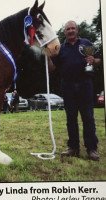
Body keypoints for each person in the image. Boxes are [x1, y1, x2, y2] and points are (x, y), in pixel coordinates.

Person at [52, 20, 101, 161]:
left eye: (73, 28)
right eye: (68, 29)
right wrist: (48, 56)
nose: (71, 31)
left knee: (88, 118)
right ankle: (73, 148)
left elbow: (98, 59)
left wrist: (94, 60)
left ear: (77, 30)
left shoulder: (86, 43)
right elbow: (52, 68)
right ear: (64, 32)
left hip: (85, 84)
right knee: (71, 119)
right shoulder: (60, 48)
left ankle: (92, 149)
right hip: (67, 87)